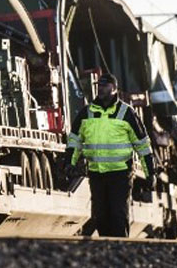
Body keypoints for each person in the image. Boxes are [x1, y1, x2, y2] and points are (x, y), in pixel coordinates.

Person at [64, 73, 154, 237]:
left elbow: (142, 145)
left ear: (114, 89)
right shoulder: (87, 112)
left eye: (105, 86)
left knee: (118, 214)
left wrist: (150, 174)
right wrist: (69, 163)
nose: (100, 88)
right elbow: (74, 141)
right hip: (96, 173)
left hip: (120, 174)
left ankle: (120, 249)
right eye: (99, 85)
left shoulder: (127, 113)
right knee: (101, 216)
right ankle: (106, 249)